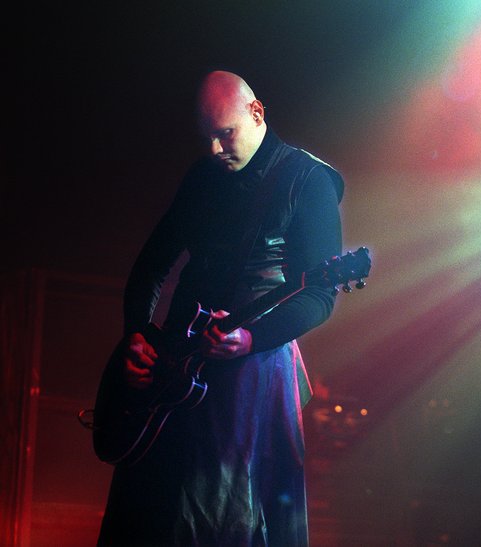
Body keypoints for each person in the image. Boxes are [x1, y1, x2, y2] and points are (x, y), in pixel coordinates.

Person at [97, 70, 344, 546]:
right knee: (146, 513)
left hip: (252, 371)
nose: (213, 149)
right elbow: (150, 266)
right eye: (205, 136)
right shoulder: (203, 176)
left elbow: (319, 296)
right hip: (175, 364)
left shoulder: (308, 180)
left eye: (224, 133)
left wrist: (252, 338)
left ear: (257, 114)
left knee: (224, 520)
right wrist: (137, 335)